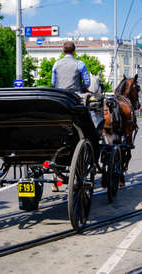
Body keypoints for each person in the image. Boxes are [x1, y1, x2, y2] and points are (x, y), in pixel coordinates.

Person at [51, 41, 91, 192]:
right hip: (74, 99)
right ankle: (86, 136)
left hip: (58, 99)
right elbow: (87, 82)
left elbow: (53, 83)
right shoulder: (80, 64)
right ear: (74, 51)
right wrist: (86, 89)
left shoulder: (56, 64)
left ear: (63, 51)